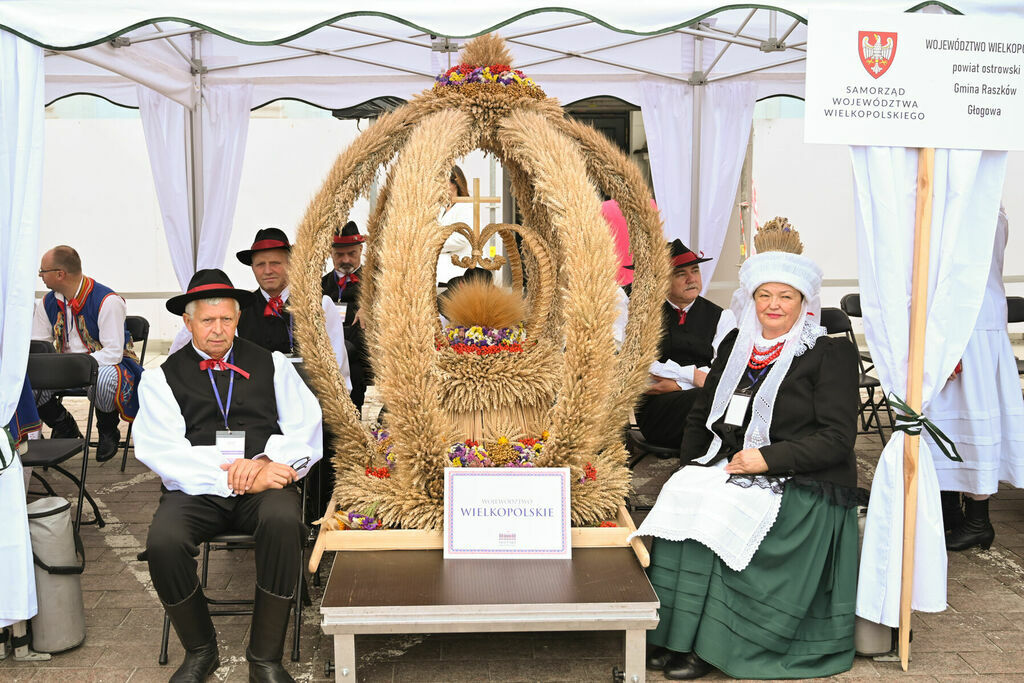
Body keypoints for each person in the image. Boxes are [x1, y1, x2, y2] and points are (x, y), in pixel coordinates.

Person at [632, 222, 859, 680]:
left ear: (803, 303)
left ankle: (709, 644)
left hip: (799, 479)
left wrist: (767, 459)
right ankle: (672, 635)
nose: (773, 305)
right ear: (752, 299)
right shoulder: (738, 344)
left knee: (719, 507)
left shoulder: (826, 354)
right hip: (731, 461)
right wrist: (692, 462)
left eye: (785, 296)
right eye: (764, 295)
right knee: (684, 494)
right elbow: (702, 412)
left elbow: (837, 439)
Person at [134, 269, 322, 683]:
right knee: (163, 542)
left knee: (283, 520)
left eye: (227, 320)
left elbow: (306, 429)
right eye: (207, 320)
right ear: (188, 322)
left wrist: (263, 464)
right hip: (196, 490)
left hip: (263, 480)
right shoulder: (161, 378)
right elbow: (163, 452)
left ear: (237, 320)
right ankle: (202, 651)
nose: (218, 330)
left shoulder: (271, 363)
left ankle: (265, 658)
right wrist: (233, 478)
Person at [929, 206, 1024, 551]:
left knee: (969, 424)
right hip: (974, 324)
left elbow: (957, 280)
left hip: (965, 327)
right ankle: (952, 509)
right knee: (948, 423)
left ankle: (977, 520)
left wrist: (948, 346)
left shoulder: (971, 212)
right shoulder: (992, 212)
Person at [31, 245, 143, 461]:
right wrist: (54, 366)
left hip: (106, 365)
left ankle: (107, 427)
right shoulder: (47, 302)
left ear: (59, 274)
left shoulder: (107, 300)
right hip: (63, 367)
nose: (40, 275)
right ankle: (63, 424)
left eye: (43, 271)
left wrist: (76, 364)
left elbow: (113, 353)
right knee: (27, 379)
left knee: (104, 379)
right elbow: (39, 343)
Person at [634, 240, 735, 449]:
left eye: (695, 270)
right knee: (706, 398)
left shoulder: (722, 317)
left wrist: (678, 382)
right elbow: (642, 368)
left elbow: (723, 370)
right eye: (681, 274)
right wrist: (696, 377)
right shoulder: (644, 316)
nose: (692, 279)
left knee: (730, 397)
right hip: (659, 412)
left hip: (703, 397)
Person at [235, 227, 351, 390]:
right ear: (253, 268)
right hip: (259, 409)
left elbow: (338, 366)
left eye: (275, 263)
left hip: (311, 408)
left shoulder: (320, 305)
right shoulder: (239, 312)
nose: (268, 271)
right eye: (260, 264)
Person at [321, 221, 369, 411]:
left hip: (361, 353)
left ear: (361, 250)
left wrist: (371, 306)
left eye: (352, 254)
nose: (346, 260)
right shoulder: (319, 284)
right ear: (330, 253)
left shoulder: (375, 284)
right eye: (339, 255)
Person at [437, 165, 474, 286]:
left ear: (455, 183)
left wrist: (434, 245)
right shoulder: (442, 207)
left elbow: (462, 238)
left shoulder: (466, 206)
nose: (440, 184)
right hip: (442, 266)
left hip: (459, 267)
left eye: (444, 180)